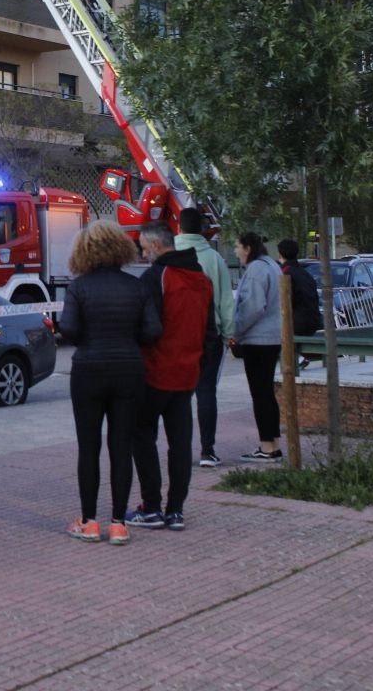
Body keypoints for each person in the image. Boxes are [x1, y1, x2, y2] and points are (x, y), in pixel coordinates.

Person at [57, 222, 161, 544]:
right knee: (121, 445)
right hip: (129, 370)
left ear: (83, 252)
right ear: (120, 248)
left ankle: (89, 521)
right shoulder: (137, 287)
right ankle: (118, 523)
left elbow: (68, 329)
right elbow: (153, 331)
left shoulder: (78, 288)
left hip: (88, 370)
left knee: (88, 447)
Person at [134, 223, 214, 531]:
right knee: (180, 443)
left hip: (155, 373)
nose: (142, 254)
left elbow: (147, 328)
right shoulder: (201, 280)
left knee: (143, 438)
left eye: (143, 247)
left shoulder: (156, 278)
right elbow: (210, 330)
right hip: (187, 375)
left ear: (155, 245)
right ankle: (176, 510)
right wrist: (199, 364)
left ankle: (151, 506)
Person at [174, 206, 232, 467]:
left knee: (178, 395)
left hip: (176, 335)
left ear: (179, 226)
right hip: (209, 334)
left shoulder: (169, 254)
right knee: (206, 391)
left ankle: (180, 450)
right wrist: (229, 334)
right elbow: (226, 302)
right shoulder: (215, 259)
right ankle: (207, 450)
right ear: (202, 229)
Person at [230, 231, 285, 463]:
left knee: (260, 394)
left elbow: (253, 307)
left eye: (237, 246)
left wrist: (235, 332)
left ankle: (266, 447)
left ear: (248, 248)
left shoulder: (255, 271)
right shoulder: (271, 265)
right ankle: (273, 444)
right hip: (272, 338)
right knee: (267, 393)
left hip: (257, 339)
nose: (235, 251)